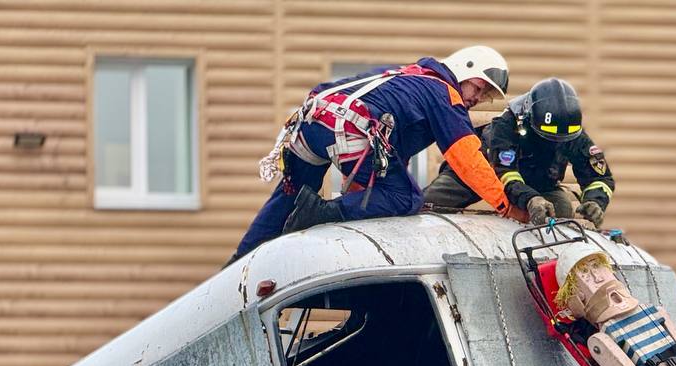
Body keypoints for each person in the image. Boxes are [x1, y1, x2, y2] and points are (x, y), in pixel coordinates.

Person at [232, 46, 516, 261]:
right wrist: (506, 205)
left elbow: (385, 167)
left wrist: (361, 208)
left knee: (288, 197)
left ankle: (237, 264)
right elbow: (467, 159)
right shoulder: (445, 95)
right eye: (479, 88)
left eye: (486, 96)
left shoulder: (408, 77)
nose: (476, 99)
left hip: (310, 124)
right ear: (464, 70)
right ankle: (316, 213)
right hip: (347, 130)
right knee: (407, 197)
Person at [422, 77, 615, 227]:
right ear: (529, 120)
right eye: (546, 138)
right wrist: (530, 199)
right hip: (484, 171)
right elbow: (504, 174)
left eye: (560, 140)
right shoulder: (507, 125)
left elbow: (600, 178)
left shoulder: (571, 133)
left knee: (561, 211)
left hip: (539, 182)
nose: (554, 144)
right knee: (432, 200)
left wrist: (595, 202)